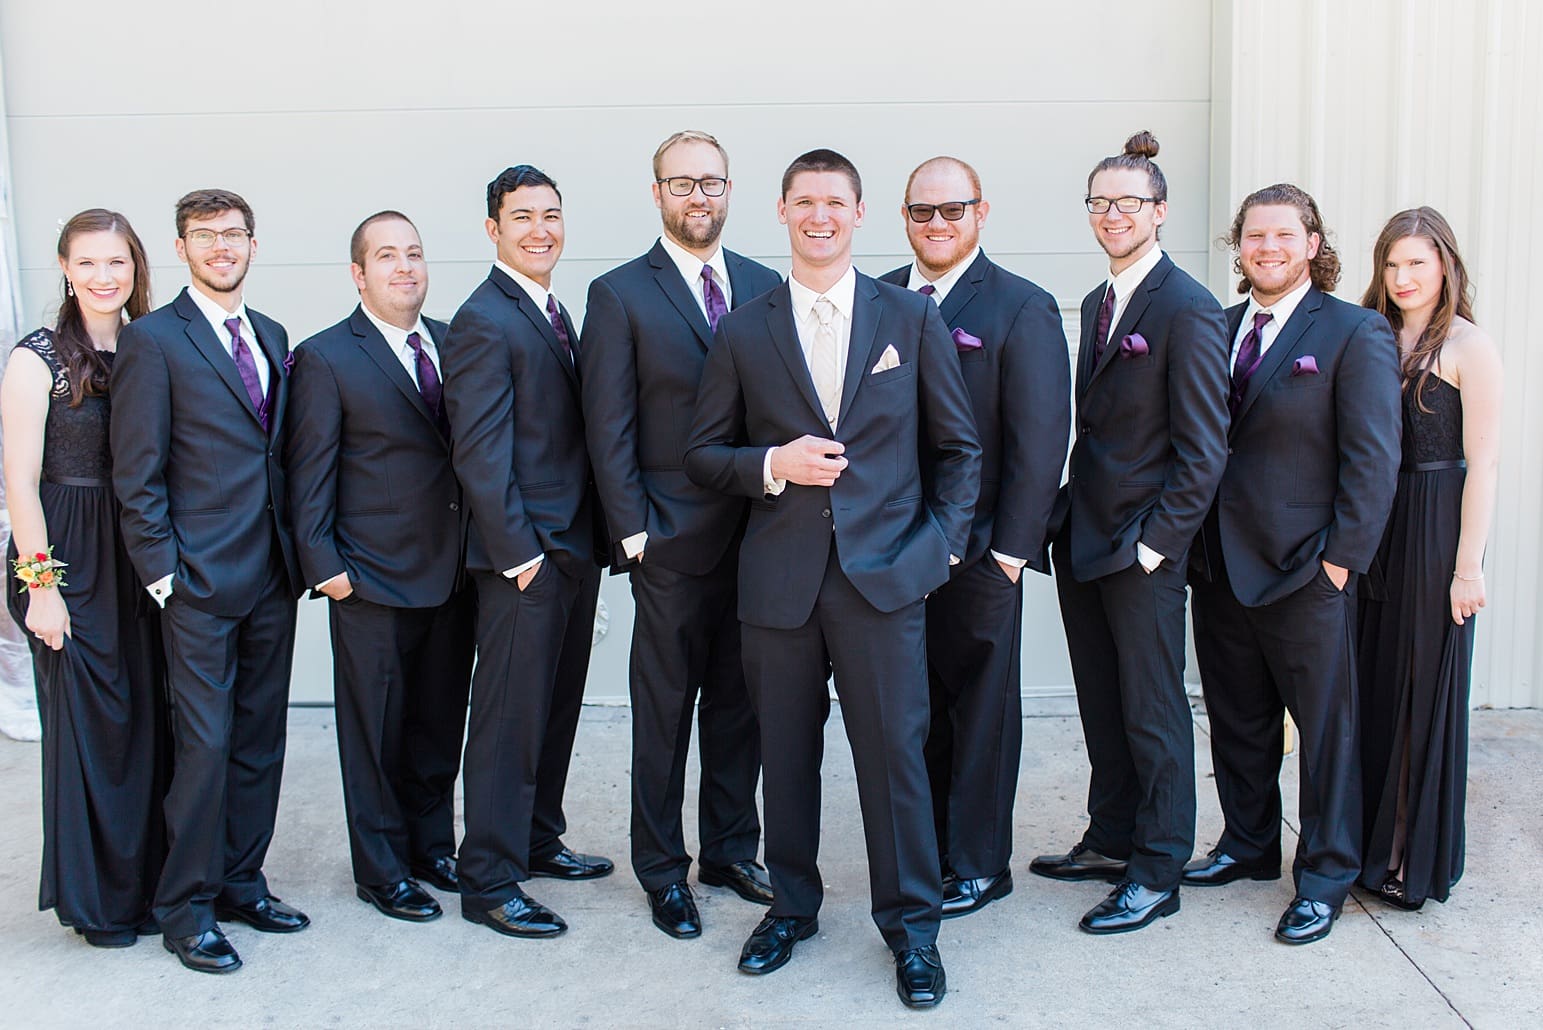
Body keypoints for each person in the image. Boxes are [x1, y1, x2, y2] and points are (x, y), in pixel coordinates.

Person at [686, 148, 980, 1009]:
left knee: (894, 760)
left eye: (834, 202)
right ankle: (791, 907)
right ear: (781, 212)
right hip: (778, 584)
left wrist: (939, 550)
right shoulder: (744, 328)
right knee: (785, 756)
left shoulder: (909, 317)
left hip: (883, 581)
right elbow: (701, 453)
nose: (819, 216)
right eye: (804, 201)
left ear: (858, 214)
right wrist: (770, 464)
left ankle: (912, 930)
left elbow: (958, 449)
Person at [1185, 184, 1401, 945]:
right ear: (1238, 247)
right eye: (1254, 235)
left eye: (1283, 235)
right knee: (1236, 718)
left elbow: (1373, 459)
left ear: (1312, 244)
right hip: (1218, 565)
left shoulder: (1353, 331)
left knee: (1324, 733)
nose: (1267, 247)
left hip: (1306, 570)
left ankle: (1325, 875)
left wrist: (1339, 564)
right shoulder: (1216, 327)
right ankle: (1247, 845)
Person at [581, 131, 780, 939]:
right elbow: (607, 424)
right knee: (663, 714)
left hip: (758, 537)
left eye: (711, 182)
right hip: (667, 541)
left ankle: (730, 851)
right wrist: (632, 535)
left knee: (741, 707)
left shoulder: (765, 284)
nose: (699, 196)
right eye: (682, 183)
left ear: (729, 190)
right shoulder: (618, 294)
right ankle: (662, 870)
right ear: (657, 192)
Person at [1031, 132, 1230, 936]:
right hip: (1086, 535)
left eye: (1128, 203)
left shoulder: (1187, 307)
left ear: (1159, 211)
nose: (1112, 215)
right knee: (1102, 702)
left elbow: (1204, 448)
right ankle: (1111, 837)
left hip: (1141, 547)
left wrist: (1157, 546)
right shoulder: (1098, 300)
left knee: (1152, 711)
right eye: (1100, 202)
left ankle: (1157, 869)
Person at [111, 189, 309, 973]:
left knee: (259, 741)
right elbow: (137, 472)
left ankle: (241, 883)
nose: (221, 247)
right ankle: (186, 907)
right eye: (205, 235)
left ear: (253, 245)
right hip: (196, 581)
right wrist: (163, 574)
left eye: (233, 234)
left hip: (270, 575)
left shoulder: (271, 333)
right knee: (206, 746)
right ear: (181, 248)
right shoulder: (153, 340)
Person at [879, 156, 1070, 918]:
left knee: (982, 712)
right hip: (895, 549)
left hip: (986, 550)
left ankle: (981, 864)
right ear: (903, 217)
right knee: (912, 708)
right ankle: (927, 850)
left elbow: (1040, 438)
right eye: (921, 211)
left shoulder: (1022, 306)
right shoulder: (879, 297)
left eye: (951, 210)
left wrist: (1011, 554)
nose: (936, 224)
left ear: (980, 213)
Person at [285, 211, 475, 923]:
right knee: (375, 736)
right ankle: (382, 870)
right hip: (369, 580)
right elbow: (308, 471)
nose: (405, 267)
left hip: (453, 574)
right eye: (387, 256)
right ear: (358, 274)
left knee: (437, 727)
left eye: (414, 254)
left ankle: (432, 848)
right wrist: (326, 568)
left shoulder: (454, 342)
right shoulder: (326, 356)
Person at [440, 165, 611, 940]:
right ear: (493, 230)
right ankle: (489, 879)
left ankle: (538, 839)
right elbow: (479, 453)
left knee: (554, 709)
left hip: (570, 548)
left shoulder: (550, 309)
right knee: (508, 720)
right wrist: (521, 557)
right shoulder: (484, 319)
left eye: (550, 214)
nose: (539, 230)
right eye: (522, 217)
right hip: (524, 559)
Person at [2, 209, 165, 950]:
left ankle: (151, 884)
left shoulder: (149, 345)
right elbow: (19, 483)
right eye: (89, 262)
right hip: (67, 556)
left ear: (136, 269)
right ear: (66, 270)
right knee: (91, 729)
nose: (104, 276)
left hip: (138, 550)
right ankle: (98, 902)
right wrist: (41, 588)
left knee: (148, 722)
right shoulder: (35, 359)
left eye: (117, 262)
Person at [1355, 207, 1501, 910]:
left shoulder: (1469, 345)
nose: (1403, 276)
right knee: (1371, 685)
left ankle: (1408, 856)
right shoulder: (1369, 334)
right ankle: (1360, 846)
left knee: (1420, 687)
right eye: (1391, 264)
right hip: (1374, 525)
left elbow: (1485, 466)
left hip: (1436, 527)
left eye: (1416, 262)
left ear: (1444, 264)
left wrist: (1467, 567)